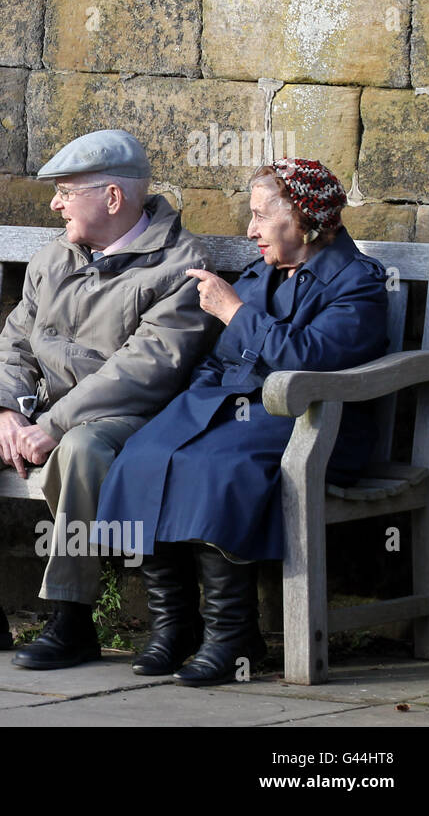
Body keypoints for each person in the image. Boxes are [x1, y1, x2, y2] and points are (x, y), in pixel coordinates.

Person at [0, 129, 216, 668]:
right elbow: (12, 346)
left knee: (79, 452)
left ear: (112, 198)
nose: (55, 204)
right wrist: (3, 410)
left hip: (119, 419)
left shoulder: (178, 266)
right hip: (37, 412)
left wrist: (53, 425)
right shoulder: (54, 257)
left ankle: (72, 620)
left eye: (66, 192)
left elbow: (142, 370)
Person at [96, 159, 388, 686]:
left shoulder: (358, 282)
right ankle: (175, 627)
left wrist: (236, 312)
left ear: (302, 217)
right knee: (144, 455)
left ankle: (231, 637)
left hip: (311, 421)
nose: (250, 231)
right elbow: (221, 359)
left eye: (259, 217)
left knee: (217, 468)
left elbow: (313, 358)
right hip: (230, 407)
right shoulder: (262, 273)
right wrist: (196, 397)